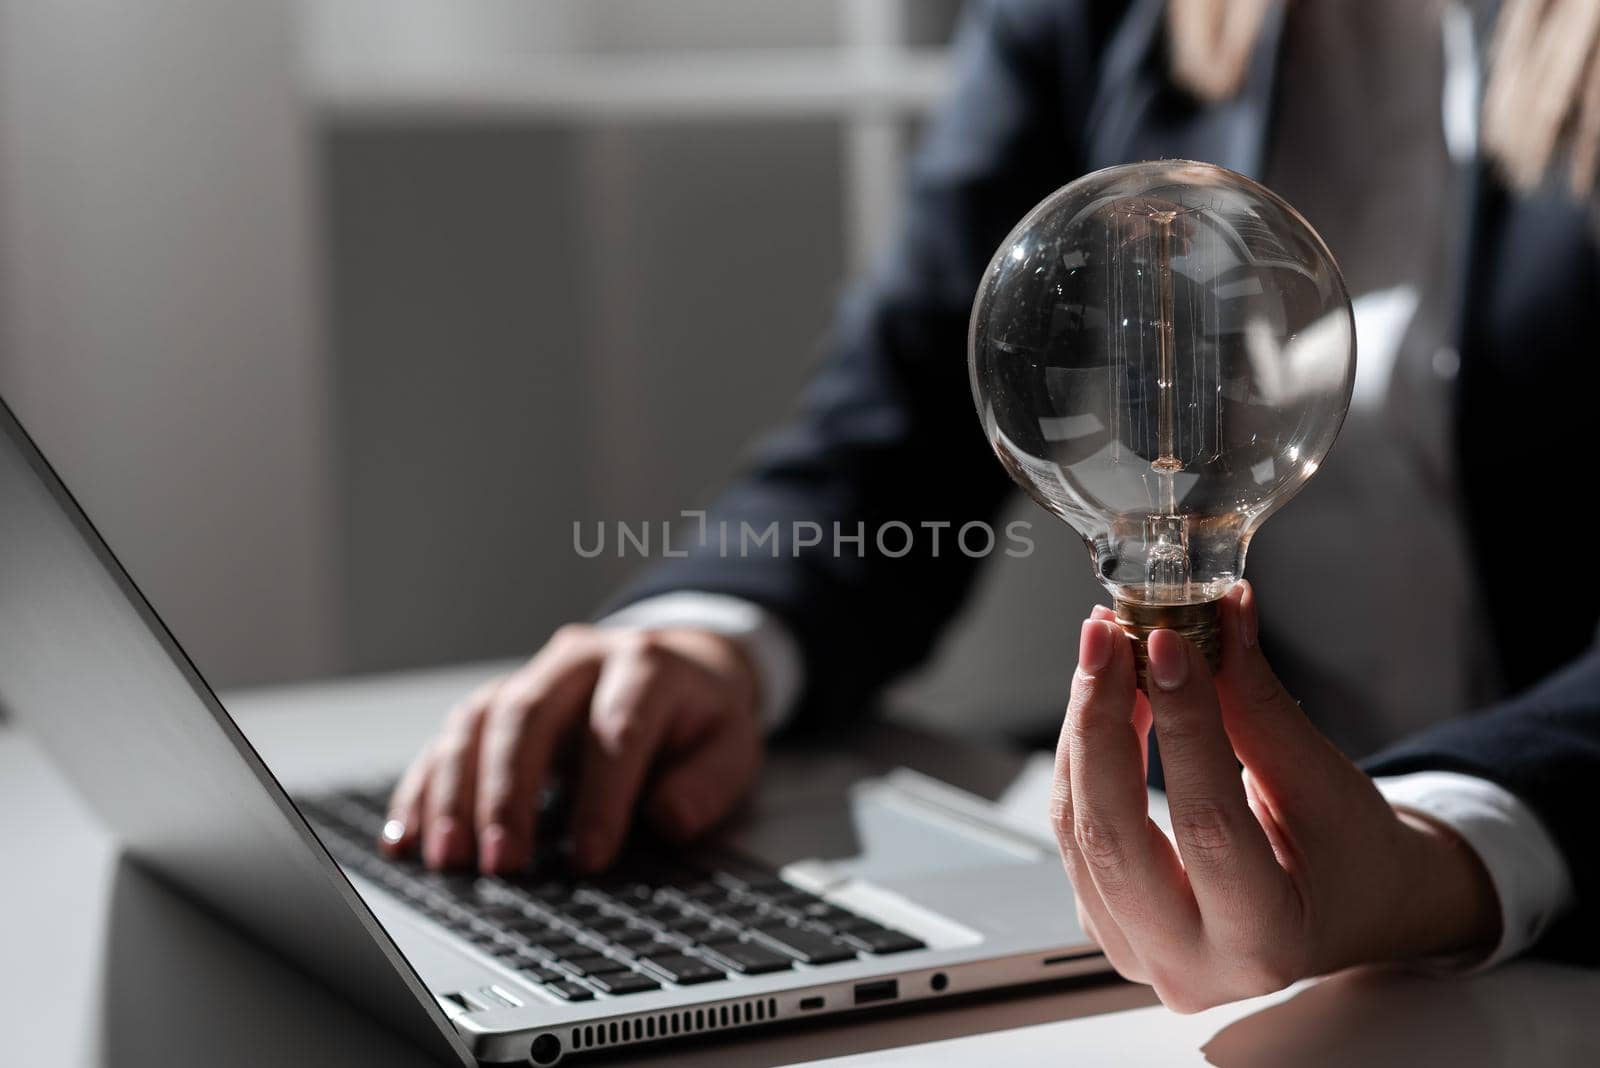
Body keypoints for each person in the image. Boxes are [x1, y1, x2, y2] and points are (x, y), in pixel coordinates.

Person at [379, 0, 1600, 1010]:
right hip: (1218, 901)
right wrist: (710, 635)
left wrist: (1448, 837)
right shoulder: (1099, 18)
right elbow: (892, 419)